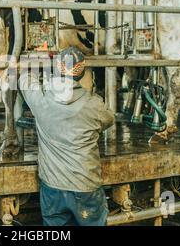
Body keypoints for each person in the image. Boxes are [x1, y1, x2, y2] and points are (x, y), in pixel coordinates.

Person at [18, 46, 115, 226]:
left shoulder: (41, 100)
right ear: (82, 72)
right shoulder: (93, 104)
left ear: (57, 68)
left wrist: (35, 58)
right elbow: (109, 119)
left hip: (53, 186)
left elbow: (25, 80)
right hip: (86, 185)